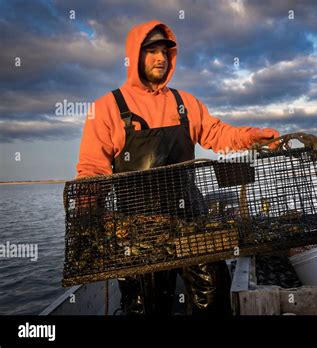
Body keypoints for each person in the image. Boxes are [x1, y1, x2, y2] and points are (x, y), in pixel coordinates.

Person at [76, 19, 279, 316]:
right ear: (135, 56)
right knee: (145, 307)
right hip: (138, 230)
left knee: (212, 297)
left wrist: (251, 137)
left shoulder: (185, 103)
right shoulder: (106, 108)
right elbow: (93, 169)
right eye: (151, 51)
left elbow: (218, 133)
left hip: (192, 220)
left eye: (165, 51)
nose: (160, 58)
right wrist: (87, 210)